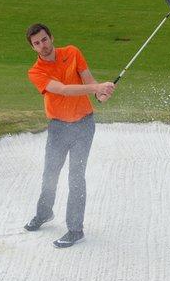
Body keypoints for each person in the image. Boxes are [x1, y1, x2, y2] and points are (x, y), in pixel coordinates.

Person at [23, 23, 115, 248]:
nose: (42, 45)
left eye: (44, 39)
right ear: (33, 48)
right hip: (58, 128)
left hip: (84, 126)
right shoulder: (36, 72)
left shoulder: (72, 52)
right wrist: (96, 89)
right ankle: (44, 213)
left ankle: (75, 229)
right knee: (50, 174)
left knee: (76, 177)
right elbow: (63, 89)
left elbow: (89, 81)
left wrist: (101, 94)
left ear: (51, 37)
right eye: (37, 43)